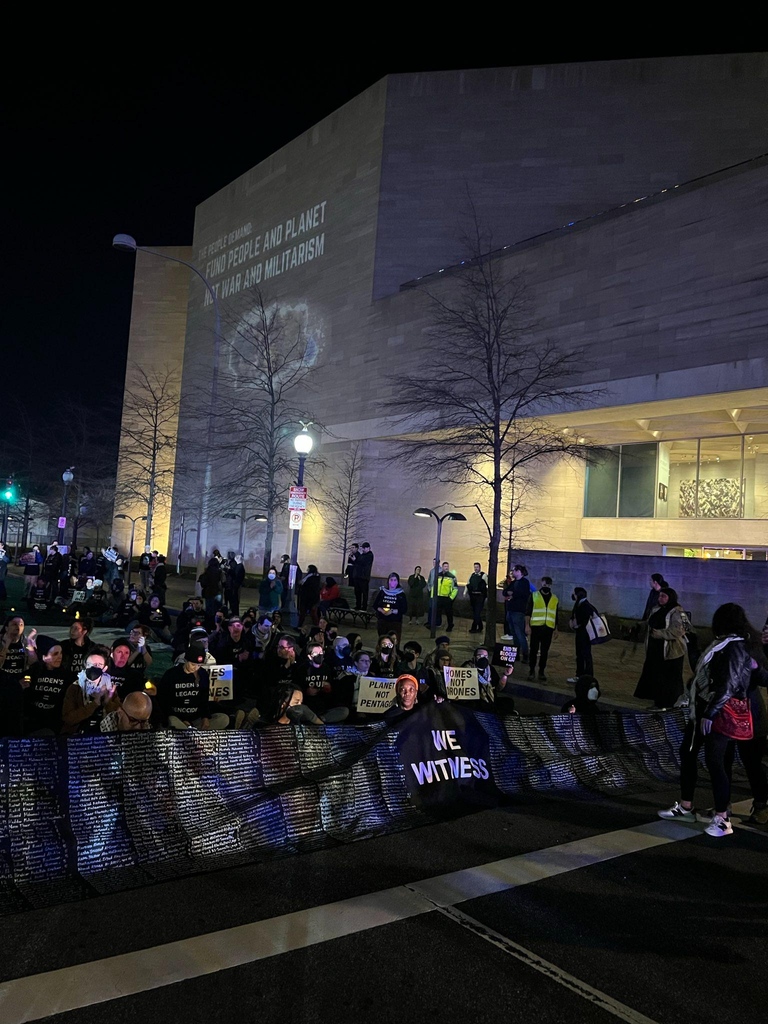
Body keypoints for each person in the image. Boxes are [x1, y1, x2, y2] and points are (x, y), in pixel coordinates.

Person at [659, 603, 768, 837]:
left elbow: (732, 682)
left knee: (747, 763)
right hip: (723, 709)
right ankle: (719, 809)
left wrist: (711, 711)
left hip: (739, 711)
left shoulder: (740, 645)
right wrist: (693, 644)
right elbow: (708, 673)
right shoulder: (726, 644)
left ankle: (751, 808)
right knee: (718, 760)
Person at [156, 641, 229, 730]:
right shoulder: (171, 674)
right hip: (177, 718)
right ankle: (191, 732)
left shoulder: (202, 674)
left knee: (223, 719)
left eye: (199, 665)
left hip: (196, 719)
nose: (195, 668)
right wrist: (182, 719)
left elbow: (204, 699)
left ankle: (193, 732)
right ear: (186, 660)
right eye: (193, 664)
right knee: (173, 722)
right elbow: (163, 701)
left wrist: (205, 717)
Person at [634, 587, 687, 708]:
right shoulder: (656, 609)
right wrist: (640, 626)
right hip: (655, 650)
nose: (660, 598)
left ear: (670, 598)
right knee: (656, 675)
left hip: (671, 651)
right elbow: (650, 622)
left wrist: (661, 634)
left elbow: (683, 629)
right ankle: (657, 701)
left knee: (669, 678)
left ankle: (668, 702)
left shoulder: (679, 611)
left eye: (664, 596)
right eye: (660, 596)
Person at [61, 648, 120, 735]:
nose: (94, 668)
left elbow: (120, 717)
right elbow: (69, 719)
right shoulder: (75, 687)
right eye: (90, 664)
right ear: (85, 665)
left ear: (104, 668)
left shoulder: (109, 687)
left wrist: (108, 701)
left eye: (98, 665)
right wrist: (94, 703)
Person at [24, 636, 70, 735]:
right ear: (44, 657)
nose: (60, 657)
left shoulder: (66, 675)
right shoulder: (34, 672)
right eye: (55, 654)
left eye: (61, 653)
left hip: (53, 724)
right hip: (31, 722)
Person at [525, 576, 558, 682]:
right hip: (536, 627)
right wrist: (527, 626)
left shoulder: (554, 599)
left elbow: (555, 615)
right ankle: (531, 670)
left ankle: (541, 671)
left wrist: (556, 629)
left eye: (548, 585)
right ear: (541, 584)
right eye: (544, 585)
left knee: (545, 652)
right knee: (533, 650)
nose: (546, 587)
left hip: (548, 628)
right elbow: (528, 613)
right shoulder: (534, 595)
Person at [567, 587, 596, 683]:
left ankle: (586, 677)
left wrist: (577, 624)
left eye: (574, 593)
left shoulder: (585, 605)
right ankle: (580, 675)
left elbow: (584, 620)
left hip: (584, 635)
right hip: (581, 634)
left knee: (585, 655)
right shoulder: (579, 603)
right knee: (580, 654)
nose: (573, 595)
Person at [504, 564, 530, 659]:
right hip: (510, 610)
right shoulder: (513, 582)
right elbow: (505, 591)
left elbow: (523, 595)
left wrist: (512, 595)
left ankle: (525, 654)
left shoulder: (524, 583)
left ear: (519, 572)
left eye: (514, 570)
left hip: (518, 611)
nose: (512, 572)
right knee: (514, 633)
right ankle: (516, 653)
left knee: (520, 633)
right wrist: (508, 593)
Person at [372, 573, 408, 641]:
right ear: (388, 581)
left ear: (397, 582)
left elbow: (404, 609)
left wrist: (392, 611)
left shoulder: (401, 594)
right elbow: (375, 605)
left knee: (393, 642)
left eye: (395, 580)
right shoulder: (382, 592)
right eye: (391, 580)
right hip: (382, 621)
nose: (393, 582)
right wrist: (382, 610)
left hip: (395, 622)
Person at [435, 561, 458, 633]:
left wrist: (451, 598)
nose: (446, 568)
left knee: (449, 613)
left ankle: (450, 625)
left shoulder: (452, 576)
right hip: (439, 597)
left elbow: (455, 588)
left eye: (447, 566)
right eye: (445, 566)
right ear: (442, 567)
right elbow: (435, 586)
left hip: (447, 597)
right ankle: (437, 624)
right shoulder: (438, 575)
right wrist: (433, 596)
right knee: (437, 612)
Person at [465, 562, 488, 634]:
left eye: (477, 567)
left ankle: (474, 627)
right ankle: (480, 626)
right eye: (475, 567)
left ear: (480, 567)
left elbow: (486, 585)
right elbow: (468, 584)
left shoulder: (483, 575)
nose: (476, 568)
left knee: (477, 612)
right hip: (473, 596)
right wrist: (465, 592)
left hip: (480, 596)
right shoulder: (472, 575)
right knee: (475, 612)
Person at [353, 542, 374, 611]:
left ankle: (364, 607)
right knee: (357, 592)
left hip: (364, 578)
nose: (363, 549)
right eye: (362, 548)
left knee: (364, 593)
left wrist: (356, 560)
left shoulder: (370, 555)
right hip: (358, 577)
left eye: (364, 548)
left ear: (368, 548)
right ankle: (358, 605)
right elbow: (358, 562)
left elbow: (363, 563)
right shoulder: (362, 555)